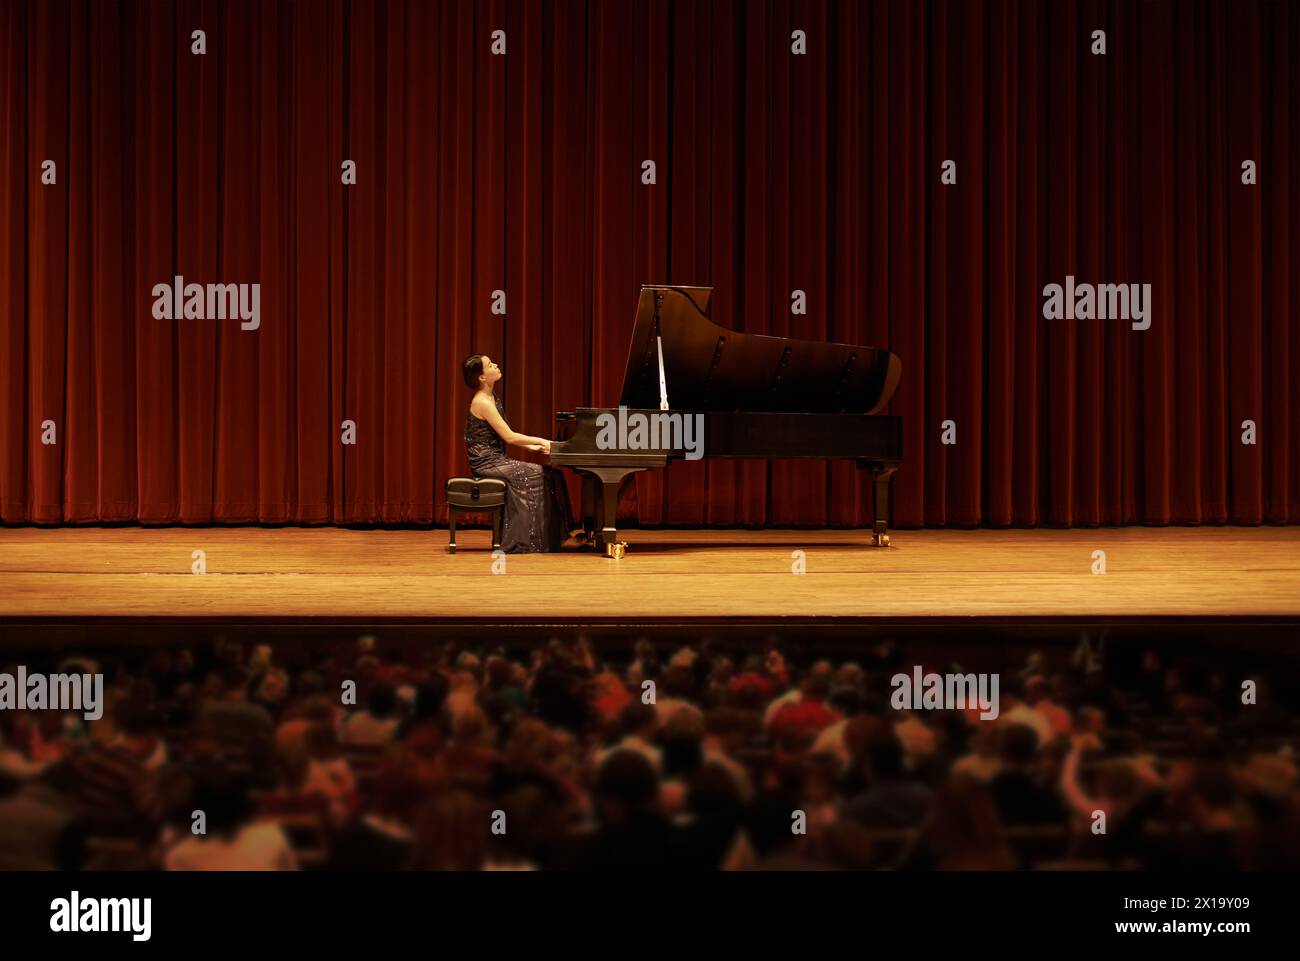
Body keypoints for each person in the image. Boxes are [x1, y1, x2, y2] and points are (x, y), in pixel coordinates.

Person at [462, 353, 572, 553]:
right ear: (481, 377)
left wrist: (539, 448)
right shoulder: (483, 402)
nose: (495, 365)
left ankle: (553, 537)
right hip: (486, 463)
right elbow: (510, 437)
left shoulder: (491, 397)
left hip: (496, 459)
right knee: (536, 474)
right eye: (490, 365)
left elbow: (506, 436)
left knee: (553, 474)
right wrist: (543, 442)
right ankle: (528, 540)